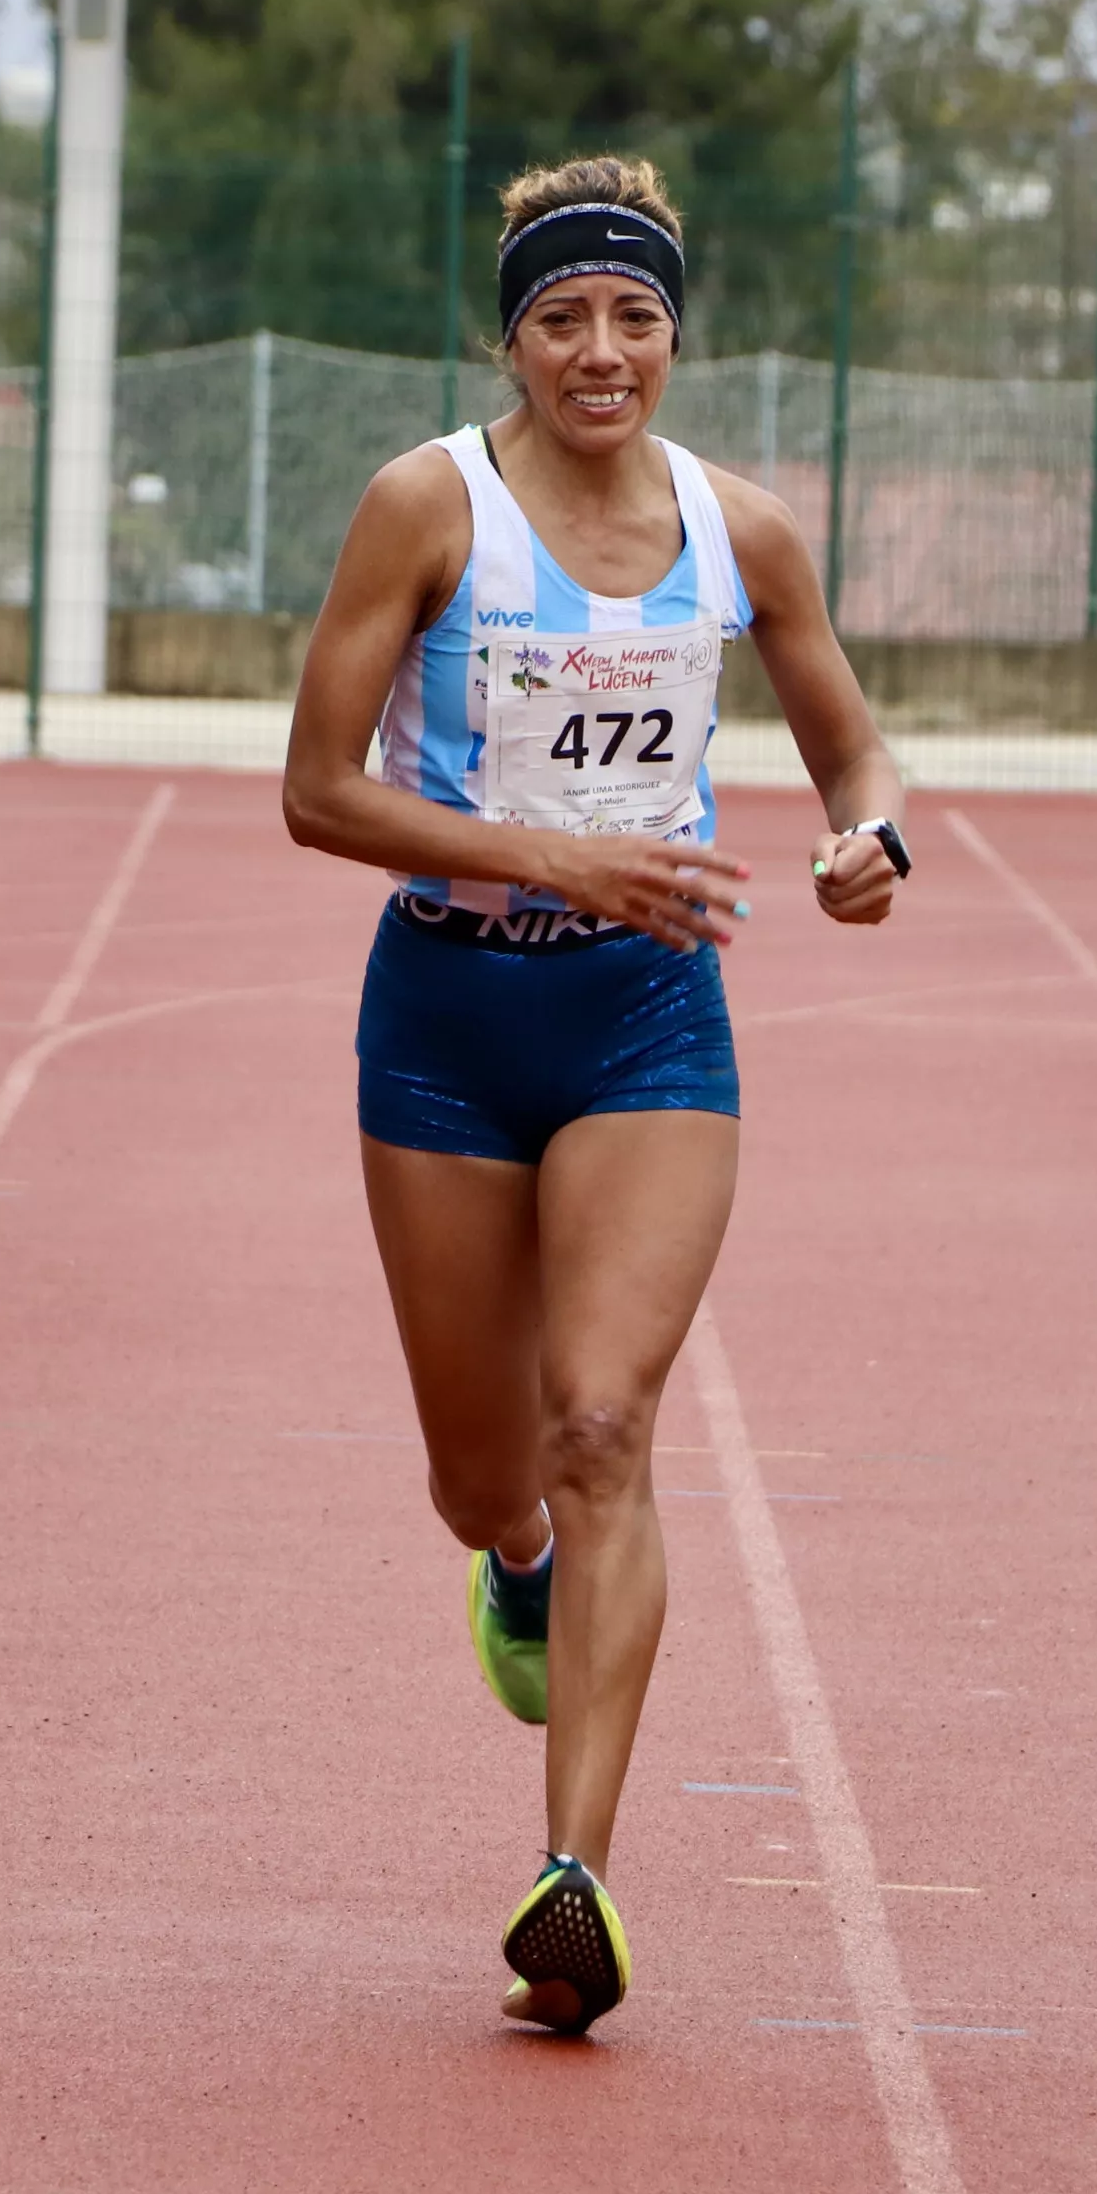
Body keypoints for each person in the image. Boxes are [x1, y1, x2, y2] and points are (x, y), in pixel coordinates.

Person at [280, 157, 910, 2035]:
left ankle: (574, 1880)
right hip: (448, 1016)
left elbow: (844, 732)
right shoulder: (426, 508)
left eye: (632, 315)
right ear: (511, 338)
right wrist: (549, 855)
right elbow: (315, 789)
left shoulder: (743, 533)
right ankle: (519, 1567)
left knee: (603, 1417)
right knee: (485, 1475)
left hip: (651, 1018)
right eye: (561, 315)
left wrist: (868, 832)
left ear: (672, 335)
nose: (599, 349)